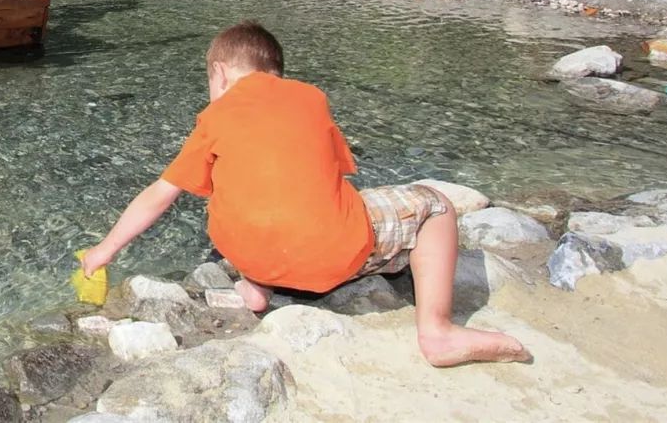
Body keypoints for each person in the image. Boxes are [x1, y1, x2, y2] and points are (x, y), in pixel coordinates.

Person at [79, 21, 531, 368]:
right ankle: (437, 330)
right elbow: (329, 175)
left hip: (251, 255)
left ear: (218, 73)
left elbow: (161, 193)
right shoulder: (312, 97)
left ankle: (257, 288)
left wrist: (102, 251)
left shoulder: (212, 118)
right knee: (435, 204)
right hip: (330, 257)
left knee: (237, 193)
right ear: (277, 73)